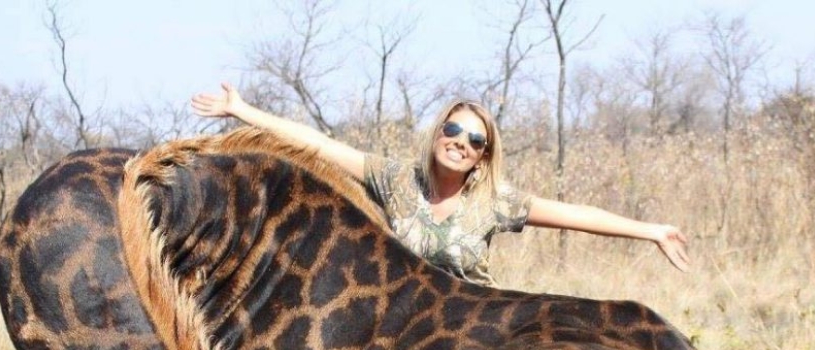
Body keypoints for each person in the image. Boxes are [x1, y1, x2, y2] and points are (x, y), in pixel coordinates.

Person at [191, 82, 690, 287]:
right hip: (402, 319)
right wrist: (243, 111)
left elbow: (578, 215)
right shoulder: (394, 179)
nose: (460, 142)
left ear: (481, 158)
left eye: (474, 139)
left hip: (471, 323)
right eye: (453, 129)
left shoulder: (495, 203)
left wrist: (651, 231)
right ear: (437, 134)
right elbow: (318, 143)